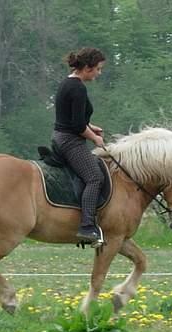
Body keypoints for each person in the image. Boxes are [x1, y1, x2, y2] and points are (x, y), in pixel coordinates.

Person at [53, 47, 106, 243]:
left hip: (62, 136)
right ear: (87, 68)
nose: (99, 73)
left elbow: (72, 118)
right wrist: (95, 138)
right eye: (98, 69)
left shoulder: (68, 83)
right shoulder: (78, 88)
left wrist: (91, 127)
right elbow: (76, 125)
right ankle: (87, 227)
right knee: (95, 178)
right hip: (70, 141)